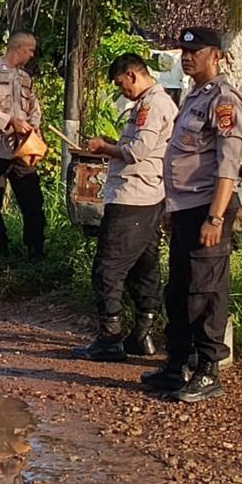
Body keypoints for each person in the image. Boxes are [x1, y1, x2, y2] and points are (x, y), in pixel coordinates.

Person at [143, 27, 242, 404]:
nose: (187, 57)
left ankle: (208, 371)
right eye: (184, 51)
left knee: (206, 291)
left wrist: (215, 219)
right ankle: (177, 366)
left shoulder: (224, 100)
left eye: (195, 51)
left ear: (215, 55)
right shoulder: (194, 96)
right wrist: (173, 208)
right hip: (185, 208)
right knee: (180, 290)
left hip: (208, 207)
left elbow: (227, 168)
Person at [73, 53, 179, 361]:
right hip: (148, 197)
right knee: (144, 268)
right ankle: (142, 335)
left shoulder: (151, 104)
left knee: (107, 270)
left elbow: (138, 150)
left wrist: (104, 148)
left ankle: (110, 339)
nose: (122, 91)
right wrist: (112, 144)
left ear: (133, 75)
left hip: (132, 198)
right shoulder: (155, 103)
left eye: (121, 84)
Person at [0, 32, 46, 259]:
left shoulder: (26, 78)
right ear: (18, 48)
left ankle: (35, 250)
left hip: (22, 151)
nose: (32, 54)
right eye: (30, 50)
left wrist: (33, 128)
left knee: (33, 202)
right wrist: (10, 121)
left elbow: (35, 109)